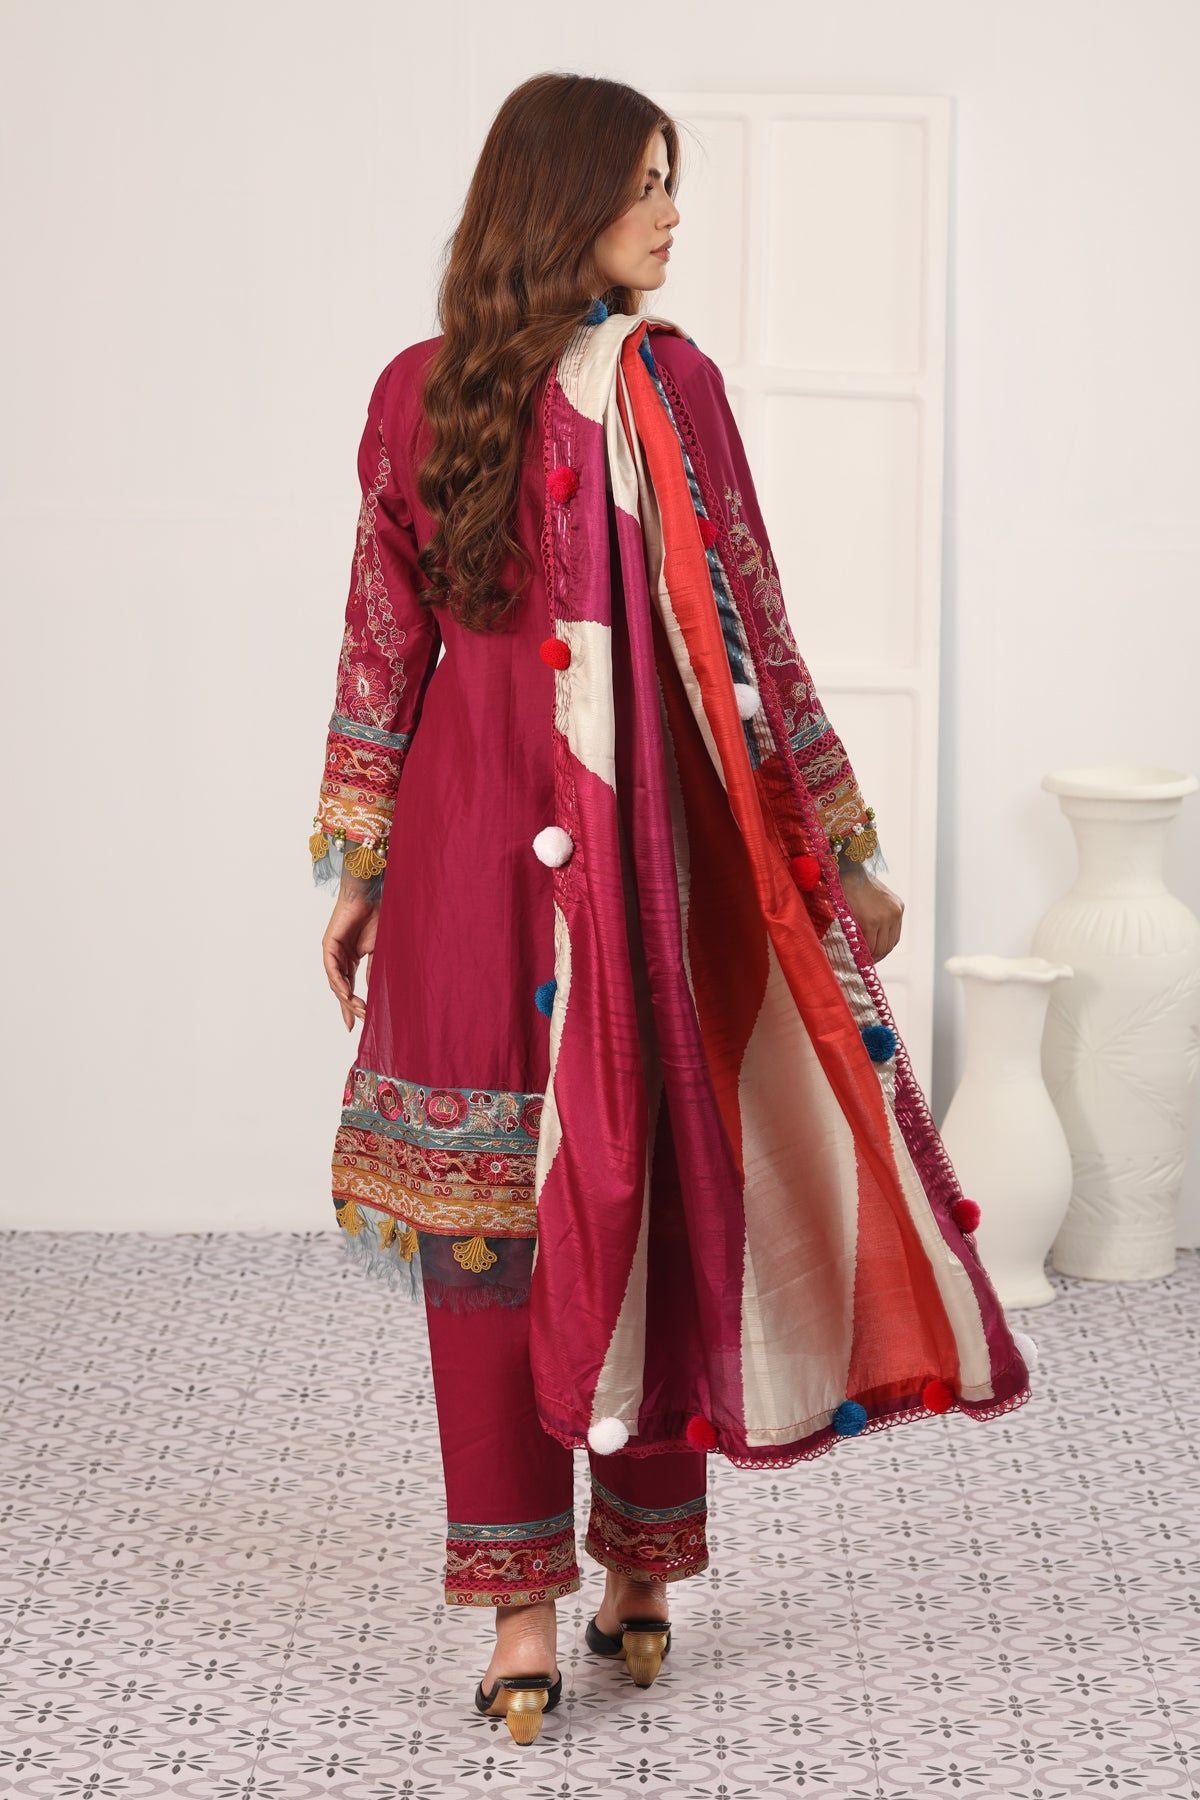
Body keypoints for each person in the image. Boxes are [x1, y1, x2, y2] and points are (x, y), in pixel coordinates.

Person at [308, 74, 1034, 1745]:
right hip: (466, 865)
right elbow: (381, 636)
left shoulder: (669, 382)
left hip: (643, 850)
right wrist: (360, 860)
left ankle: (641, 1566)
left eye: (669, 179)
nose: (671, 212)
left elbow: (751, 625)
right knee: (484, 1229)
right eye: (644, 182)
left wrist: (835, 846)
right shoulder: (419, 391)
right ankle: (518, 1598)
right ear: (561, 195)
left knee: (637, 1188)